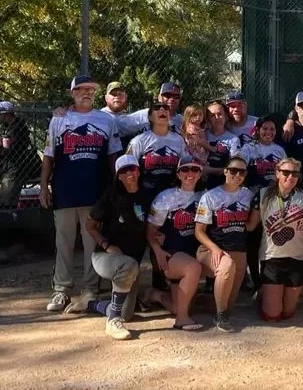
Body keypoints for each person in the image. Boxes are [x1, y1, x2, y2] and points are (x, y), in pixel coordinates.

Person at [41, 75, 122, 312]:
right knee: (63, 242)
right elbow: (49, 156)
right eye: (80, 89)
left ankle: (90, 290)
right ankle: (61, 290)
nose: (86, 93)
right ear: (72, 93)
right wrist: (44, 186)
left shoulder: (106, 121)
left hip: (95, 191)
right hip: (64, 190)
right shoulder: (59, 119)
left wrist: (115, 189)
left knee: (91, 243)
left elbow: (113, 157)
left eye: (90, 89)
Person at [64, 154, 147, 340]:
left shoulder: (146, 195)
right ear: (118, 176)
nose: (129, 174)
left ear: (139, 171)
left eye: (132, 169)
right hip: (105, 257)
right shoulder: (111, 196)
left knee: (128, 313)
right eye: (124, 171)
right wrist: (105, 244)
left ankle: (91, 304)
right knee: (128, 266)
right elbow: (89, 224)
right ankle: (113, 322)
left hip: (130, 262)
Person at [126, 100, 187, 290]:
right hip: (144, 196)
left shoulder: (178, 140)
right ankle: (130, 289)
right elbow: (129, 169)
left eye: (166, 108)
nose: (162, 110)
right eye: (157, 109)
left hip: (168, 199)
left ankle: (159, 286)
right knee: (137, 241)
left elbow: (183, 167)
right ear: (150, 117)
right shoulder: (139, 141)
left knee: (161, 239)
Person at [248, 158, 303, 321]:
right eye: (286, 172)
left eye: (294, 173)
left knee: (288, 313)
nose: (290, 177)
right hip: (272, 257)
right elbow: (250, 226)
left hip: (299, 257)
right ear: (277, 173)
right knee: (273, 316)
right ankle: (263, 293)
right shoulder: (263, 195)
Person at [195, 156, 256, 331]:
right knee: (227, 266)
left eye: (242, 172)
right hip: (211, 248)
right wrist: (215, 249)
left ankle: (206, 302)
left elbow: (251, 225)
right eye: (233, 171)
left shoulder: (248, 195)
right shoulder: (210, 196)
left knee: (229, 303)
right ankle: (220, 316)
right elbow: (199, 231)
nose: (237, 175)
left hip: (238, 249)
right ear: (225, 172)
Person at [146, 154, 205, 331]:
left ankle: (154, 294)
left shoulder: (205, 196)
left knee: (181, 305)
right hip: (169, 254)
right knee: (193, 268)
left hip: (192, 253)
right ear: (178, 174)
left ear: (200, 173)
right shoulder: (166, 197)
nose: (190, 173)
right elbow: (150, 231)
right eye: (185, 169)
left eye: (195, 169)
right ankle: (181, 319)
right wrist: (157, 250)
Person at [240, 115, 287, 292]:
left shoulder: (279, 150)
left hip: (274, 201)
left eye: (272, 129)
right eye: (265, 128)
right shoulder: (248, 149)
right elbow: (239, 169)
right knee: (253, 239)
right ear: (258, 130)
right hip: (252, 200)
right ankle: (254, 279)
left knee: (270, 241)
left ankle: (269, 278)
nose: (268, 132)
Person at [0, 101, 41, 207]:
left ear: (6, 114)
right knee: (6, 199)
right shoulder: (8, 127)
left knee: (8, 202)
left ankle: (9, 220)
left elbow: (8, 148)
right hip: (10, 167)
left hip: (15, 168)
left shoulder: (17, 128)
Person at [115, 82, 183, 138]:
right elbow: (117, 126)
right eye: (167, 95)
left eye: (176, 96)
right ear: (159, 97)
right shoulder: (145, 115)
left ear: (179, 99)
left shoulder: (183, 121)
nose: (172, 99)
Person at [204, 100, 241, 189]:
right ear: (208, 119)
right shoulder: (203, 135)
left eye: (220, 114)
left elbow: (234, 166)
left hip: (222, 183)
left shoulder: (233, 139)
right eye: (213, 115)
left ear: (226, 116)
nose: (217, 118)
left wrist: (209, 170)